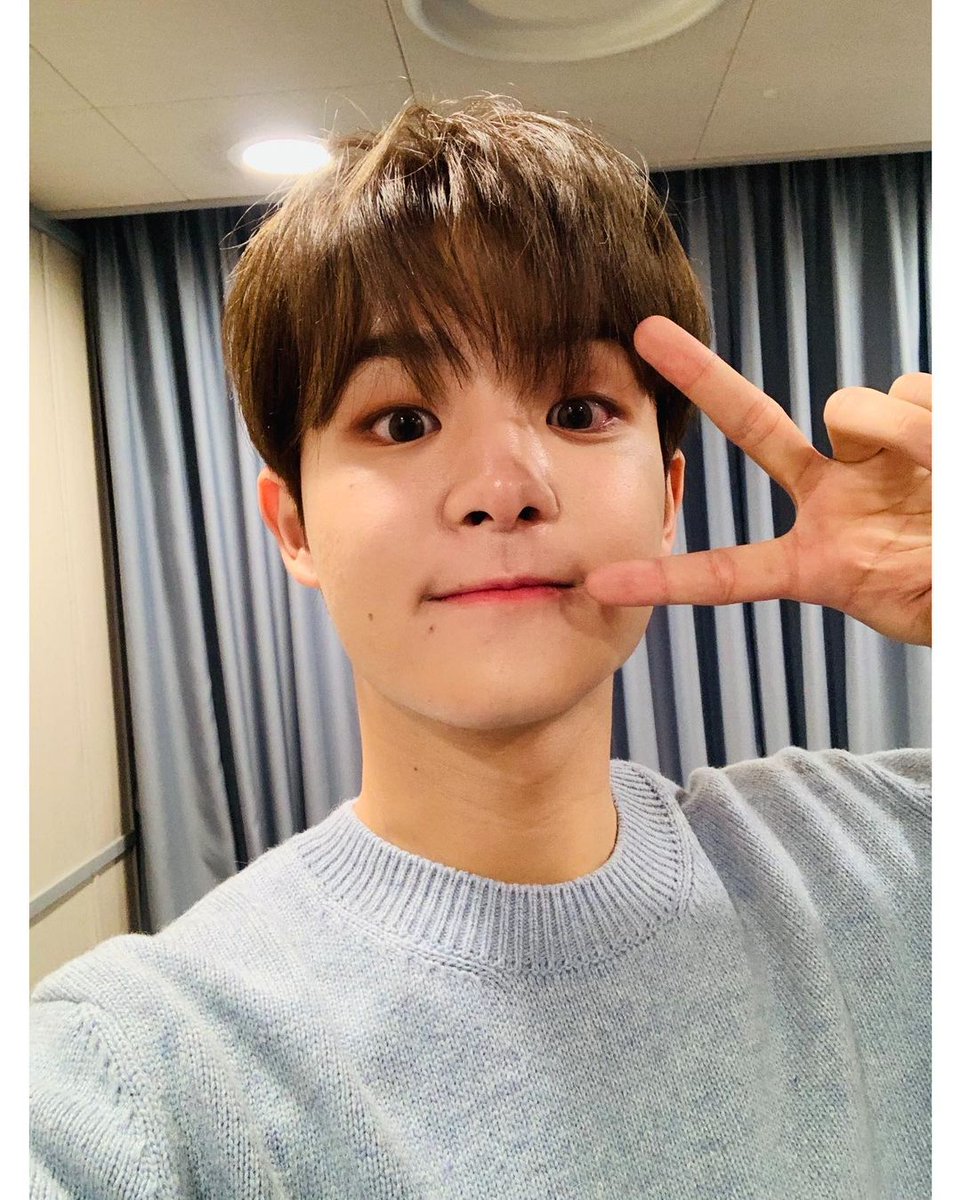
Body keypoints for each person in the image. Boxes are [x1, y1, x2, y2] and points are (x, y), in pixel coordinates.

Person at [30, 97, 931, 1198]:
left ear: (667, 499)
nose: (504, 489)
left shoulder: (883, 864)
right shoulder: (145, 1066)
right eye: (402, 422)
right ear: (294, 525)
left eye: (578, 410)